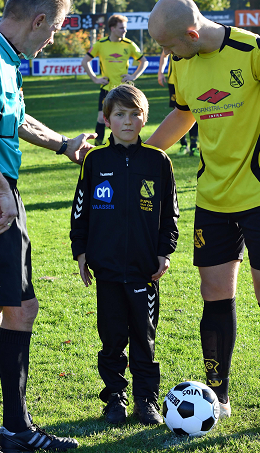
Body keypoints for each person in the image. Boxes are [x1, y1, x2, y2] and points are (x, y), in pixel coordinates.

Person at [147, 0, 260, 436]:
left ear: (190, 33)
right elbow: (183, 115)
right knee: (214, 293)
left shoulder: (255, 50)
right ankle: (217, 395)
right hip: (212, 197)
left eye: (167, 46)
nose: (166, 56)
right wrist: (138, 154)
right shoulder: (183, 66)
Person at [0, 0, 96, 453]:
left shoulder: (8, 59)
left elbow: (16, 119)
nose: (52, 40)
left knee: (16, 309)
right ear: (39, 19)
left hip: (2, 194)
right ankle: (15, 431)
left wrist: (64, 144)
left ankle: (15, 428)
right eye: (54, 30)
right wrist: (1, 189)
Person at [70, 84, 179, 426]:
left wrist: (164, 251)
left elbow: (170, 214)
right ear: (107, 119)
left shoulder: (158, 161)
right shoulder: (95, 161)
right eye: (120, 115)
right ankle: (115, 397)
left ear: (144, 119)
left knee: (144, 336)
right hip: (106, 267)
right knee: (112, 336)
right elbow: (80, 210)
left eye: (134, 115)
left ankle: (146, 400)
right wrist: (81, 250)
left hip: (144, 270)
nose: (128, 122)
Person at [81, 14, 149, 146]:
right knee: (102, 118)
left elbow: (144, 62)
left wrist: (133, 76)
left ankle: (128, 145)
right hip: (107, 88)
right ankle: (97, 147)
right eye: (122, 28)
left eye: (125, 28)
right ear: (112, 28)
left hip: (124, 90)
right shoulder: (100, 44)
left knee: (127, 118)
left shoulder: (129, 45)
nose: (125, 31)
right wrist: (95, 79)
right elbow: (85, 61)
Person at [158, 50, 199, 156]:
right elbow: (164, 54)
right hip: (174, 81)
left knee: (194, 111)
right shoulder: (172, 38)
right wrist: (160, 72)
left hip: (192, 79)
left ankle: (194, 146)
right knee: (179, 112)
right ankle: (183, 145)